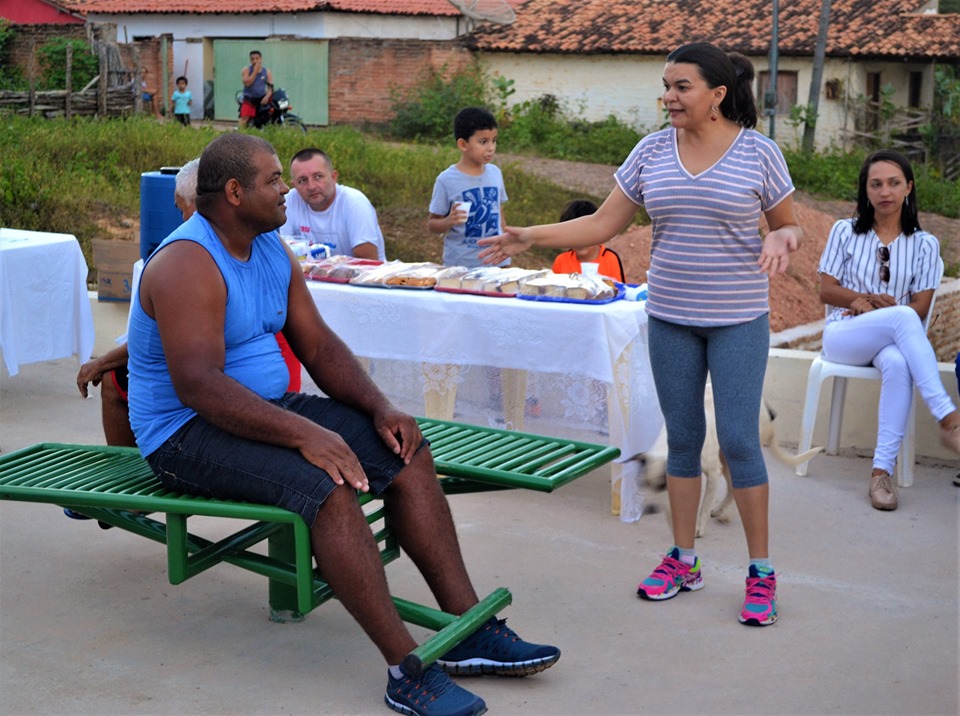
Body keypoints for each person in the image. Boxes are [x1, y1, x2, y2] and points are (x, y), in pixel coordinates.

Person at [126, 133, 559, 716]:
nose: (286, 190)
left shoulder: (269, 246)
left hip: (261, 407)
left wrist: (381, 408)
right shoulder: (186, 263)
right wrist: (307, 434)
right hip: (184, 433)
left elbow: (318, 345)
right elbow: (199, 386)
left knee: (404, 447)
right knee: (326, 486)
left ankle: (469, 628)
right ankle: (406, 670)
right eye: (274, 180)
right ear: (233, 192)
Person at [479, 42, 803, 627]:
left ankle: (761, 571)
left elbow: (788, 226)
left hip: (738, 318)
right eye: (666, 86)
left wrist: (784, 237)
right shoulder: (651, 150)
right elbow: (604, 222)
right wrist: (531, 235)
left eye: (681, 87)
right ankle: (684, 559)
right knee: (682, 440)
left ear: (717, 94)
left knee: (737, 441)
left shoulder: (759, 152)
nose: (669, 97)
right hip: (671, 317)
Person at [76, 158, 301, 451]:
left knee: (118, 380)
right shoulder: (250, 240)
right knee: (117, 377)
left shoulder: (196, 259)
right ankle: (136, 464)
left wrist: (102, 362)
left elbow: (185, 352)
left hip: (238, 382)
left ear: (197, 205)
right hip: (240, 369)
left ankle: (145, 466)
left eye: (181, 207)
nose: (182, 218)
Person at [817, 149, 960, 510]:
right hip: (844, 334)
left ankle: (881, 472)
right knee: (903, 319)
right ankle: (947, 416)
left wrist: (886, 310)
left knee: (898, 362)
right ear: (865, 190)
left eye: (894, 183)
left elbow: (921, 307)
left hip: (890, 340)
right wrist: (861, 299)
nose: (885, 192)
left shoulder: (925, 245)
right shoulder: (844, 231)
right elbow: (826, 290)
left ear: (908, 187)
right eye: (876, 184)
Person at [428, 107, 509, 268]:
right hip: (461, 266)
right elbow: (432, 224)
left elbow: (499, 214)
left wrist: (506, 246)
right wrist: (449, 221)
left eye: (494, 140)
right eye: (483, 142)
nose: (491, 148)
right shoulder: (446, 180)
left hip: (496, 263)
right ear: (463, 144)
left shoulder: (495, 173)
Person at [280, 148, 386, 260]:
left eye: (318, 177)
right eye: (302, 180)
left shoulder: (355, 203)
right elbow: (281, 253)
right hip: (306, 271)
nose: (311, 186)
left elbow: (368, 260)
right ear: (294, 185)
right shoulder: (288, 202)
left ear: (333, 177)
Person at [551, 199, 625, 281]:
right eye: (574, 235)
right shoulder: (561, 261)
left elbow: (619, 288)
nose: (581, 241)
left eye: (585, 234)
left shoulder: (610, 259)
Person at [239, 50, 273, 129]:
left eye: (257, 58)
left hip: (262, 97)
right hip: (250, 98)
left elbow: (270, 87)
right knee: (245, 117)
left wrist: (267, 96)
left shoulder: (267, 71)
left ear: (261, 59)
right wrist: (255, 71)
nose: (255, 61)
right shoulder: (246, 70)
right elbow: (247, 83)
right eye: (252, 59)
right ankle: (240, 132)